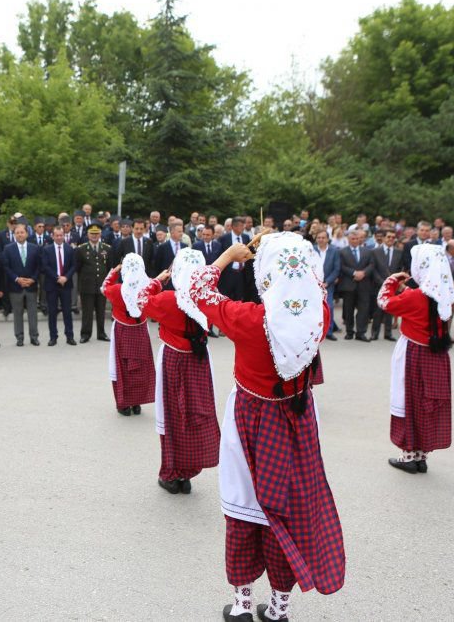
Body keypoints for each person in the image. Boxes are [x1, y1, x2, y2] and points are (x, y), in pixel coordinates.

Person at [184, 234, 343, 622]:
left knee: (243, 506)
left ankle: (240, 604)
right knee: (286, 511)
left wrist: (227, 256)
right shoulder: (319, 315)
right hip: (299, 418)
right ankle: (278, 608)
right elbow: (317, 285)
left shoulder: (249, 319)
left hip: (250, 418)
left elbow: (195, 290)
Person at [138, 248, 220, 495]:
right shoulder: (208, 297)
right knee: (195, 414)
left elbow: (141, 301)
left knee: (173, 417)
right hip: (199, 358)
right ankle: (187, 473)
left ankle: (172, 474)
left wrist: (156, 281)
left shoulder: (168, 300)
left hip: (174, 357)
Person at [377, 244, 454, 474]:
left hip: (414, 353)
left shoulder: (416, 297)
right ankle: (421, 455)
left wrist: (392, 280)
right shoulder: (446, 296)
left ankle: (409, 454)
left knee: (408, 401)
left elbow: (385, 302)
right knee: (427, 403)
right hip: (437, 356)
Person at [101, 254, 155, 416]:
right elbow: (157, 285)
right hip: (140, 329)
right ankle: (137, 403)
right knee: (140, 365)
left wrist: (114, 271)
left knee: (122, 367)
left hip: (122, 330)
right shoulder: (147, 288)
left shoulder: (118, 290)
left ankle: (124, 404)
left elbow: (104, 287)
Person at [2, 224, 41, 347]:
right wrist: (17, 279)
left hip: (31, 286)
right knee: (17, 313)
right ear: (14, 235)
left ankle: (34, 337)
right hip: (16, 287)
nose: (20, 234)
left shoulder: (35, 248)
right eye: (17, 233)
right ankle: (19, 337)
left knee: (32, 313)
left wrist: (33, 279)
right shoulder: (8, 248)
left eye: (22, 232)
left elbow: (39, 266)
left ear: (27, 234)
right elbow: (6, 267)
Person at [75, 224, 112, 343]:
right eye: (92, 233)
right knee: (87, 312)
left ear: (100, 234)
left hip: (101, 286)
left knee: (101, 311)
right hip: (87, 285)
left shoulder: (107, 248)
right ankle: (85, 334)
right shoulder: (81, 249)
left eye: (97, 233)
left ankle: (101, 333)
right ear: (88, 235)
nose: (94, 236)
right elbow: (78, 268)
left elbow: (109, 267)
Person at [40, 227, 76, 346]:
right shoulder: (47, 249)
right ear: (53, 236)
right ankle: (53, 337)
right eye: (57, 235)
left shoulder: (69, 249)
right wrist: (57, 278)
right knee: (52, 312)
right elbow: (45, 266)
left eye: (61, 235)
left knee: (67, 311)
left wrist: (65, 277)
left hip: (66, 284)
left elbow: (73, 266)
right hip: (52, 285)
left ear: (64, 236)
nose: (59, 237)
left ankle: (69, 336)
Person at [338, 230, 374, 341]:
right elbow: (342, 266)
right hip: (349, 285)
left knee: (363, 309)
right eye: (352, 239)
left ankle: (361, 333)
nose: (355, 241)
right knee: (349, 310)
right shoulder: (342, 252)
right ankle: (349, 332)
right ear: (348, 240)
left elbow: (372, 264)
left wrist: (363, 273)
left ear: (360, 239)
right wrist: (354, 273)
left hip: (364, 285)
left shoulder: (367, 251)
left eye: (357, 239)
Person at [370, 229, 402, 341]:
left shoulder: (399, 252)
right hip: (378, 285)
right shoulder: (375, 251)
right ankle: (375, 333)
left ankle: (388, 333)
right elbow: (373, 269)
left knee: (390, 310)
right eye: (388, 237)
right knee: (377, 311)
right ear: (383, 238)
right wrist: (383, 282)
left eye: (393, 237)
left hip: (393, 286)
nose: (391, 239)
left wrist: (394, 282)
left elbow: (399, 269)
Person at [313, 230, 341, 341]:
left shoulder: (334, 251)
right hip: (314, 285)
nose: (321, 239)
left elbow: (336, 269)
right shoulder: (311, 250)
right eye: (319, 237)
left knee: (328, 307)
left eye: (323, 237)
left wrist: (327, 282)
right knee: (315, 308)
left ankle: (329, 331)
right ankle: (315, 332)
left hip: (328, 285)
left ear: (327, 239)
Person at [217, 217, 251, 300]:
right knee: (226, 297)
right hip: (228, 273)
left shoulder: (246, 237)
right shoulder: (224, 238)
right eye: (241, 225)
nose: (243, 227)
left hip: (242, 274)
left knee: (240, 297)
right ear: (234, 227)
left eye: (243, 225)